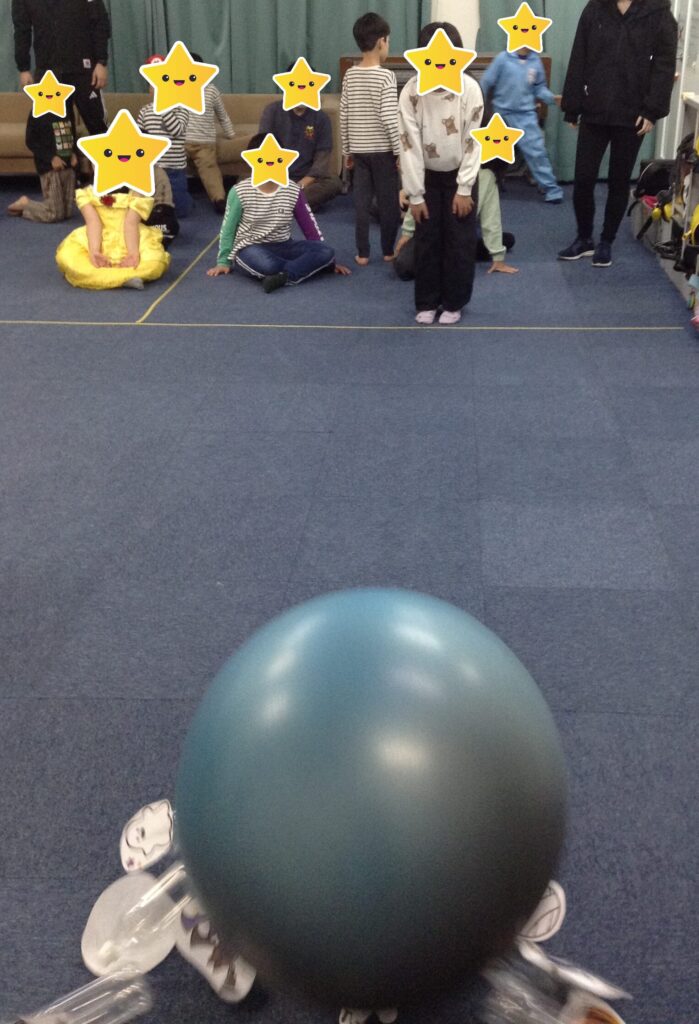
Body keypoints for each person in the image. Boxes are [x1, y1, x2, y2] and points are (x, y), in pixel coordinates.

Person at [559, 0, 678, 267]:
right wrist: (572, 106)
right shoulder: (595, 9)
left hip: (632, 115)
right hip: (594, 110)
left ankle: (606, 241)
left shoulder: (658, 14)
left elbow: (664, 66)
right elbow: (579, 55)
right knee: (583, 178)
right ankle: (584, 238)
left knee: (619, 180)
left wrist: (652, 110)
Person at [398, 22, 483, 324]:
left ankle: (454, 301)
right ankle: (427, 300)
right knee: (428, 240)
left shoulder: (469, 89)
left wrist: (465, 188)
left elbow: (474, 140)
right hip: (427, 179)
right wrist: (415, 194)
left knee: (459, 242)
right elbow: (408, 144)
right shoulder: (411, 92)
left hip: (459, 175)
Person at [207, 133, 351, 291]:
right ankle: (296, 270)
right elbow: (228, 228)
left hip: (284, 245)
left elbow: (309, 226)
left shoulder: (292, 189)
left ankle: (284, 276)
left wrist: (329, 261)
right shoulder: (240, 191)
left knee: (326, 252)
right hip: (250, 247)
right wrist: (223, 261)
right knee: (269, 265)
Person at [340, 12, 402, 265]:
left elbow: (344, 114)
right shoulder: (386, 76)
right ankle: (387, 251)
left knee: (361, 204)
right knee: (389, 204)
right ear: (381, 42)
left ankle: (363, 253)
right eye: (388, 41)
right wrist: (399, 151)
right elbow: (389, 117)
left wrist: (346, 151)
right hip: (383, 152)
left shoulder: (350, 75)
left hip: (359, 151)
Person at [394, 168, 518, 280]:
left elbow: (491, 218)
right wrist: (407, 232)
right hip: (431, 234)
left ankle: (454, 255)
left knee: (507, 240)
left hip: (460, 236)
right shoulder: (436, 168)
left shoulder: (486, 176)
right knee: (404, 268)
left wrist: (498, 257)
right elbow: (417, 201)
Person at [12, 0, 110, 136]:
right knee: (60, 135)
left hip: (85, 70)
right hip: (49, 73)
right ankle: (68, 151)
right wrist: (23, 68)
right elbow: (22, 30)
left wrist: (101, 61)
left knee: (98, 127)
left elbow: (100, 22)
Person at [479, 47, 563, 204]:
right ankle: (485, 185)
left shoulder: (535, 61)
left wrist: (552, 98)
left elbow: (539, 88)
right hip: (501, 114)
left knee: (537, 152)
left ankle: (551, 189)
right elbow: (485, 83)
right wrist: (477, 106)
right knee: (489, 151)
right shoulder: (503, 58)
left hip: (525, 115)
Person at [55, 185, 170, 289]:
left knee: (154, 260)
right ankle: (126, 277)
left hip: (130, 237)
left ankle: (108, 277)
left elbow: (131, 223)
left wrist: (133, 254)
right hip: (97, 237)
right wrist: (94, 251)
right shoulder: (86, 193)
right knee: (68, 256)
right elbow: (93, 222)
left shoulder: (137, 192)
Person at [259, 75, 341, 212]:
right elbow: (262, 148)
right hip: (277, 175)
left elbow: (322, 158)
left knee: (334, 183)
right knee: (244, 182)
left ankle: (280, 203)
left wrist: (302, 183)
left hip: (306, 178)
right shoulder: (272, 111)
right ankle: (296, 204)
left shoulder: (321, 118)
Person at [138, 55, 192, 218]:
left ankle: (188, 200)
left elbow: (176, 130)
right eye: (153, 85)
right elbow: (141, 139)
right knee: (153, 210)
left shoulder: (181, 109)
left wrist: (163, 107)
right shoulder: (145, 111)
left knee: (181, 211)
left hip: (174, 168)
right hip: (153, 170)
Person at [7, 105, 78, 222]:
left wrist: (74, 152)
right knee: (53, 214)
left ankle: (34, 208)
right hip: (49, 167)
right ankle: (25, 204)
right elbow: (31, 141)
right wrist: (51, 158)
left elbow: (72, 132)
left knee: (67, 213)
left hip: (68, 166)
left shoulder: (66, 108)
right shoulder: (37, 111)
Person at [186, 52, 236, 216]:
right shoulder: (173, 89)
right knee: (170, 167)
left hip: (203, 143)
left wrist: (231, 135)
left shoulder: (211, 90)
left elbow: (222, 115)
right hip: (179, 141)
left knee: (209, 168)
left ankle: (219, 199)